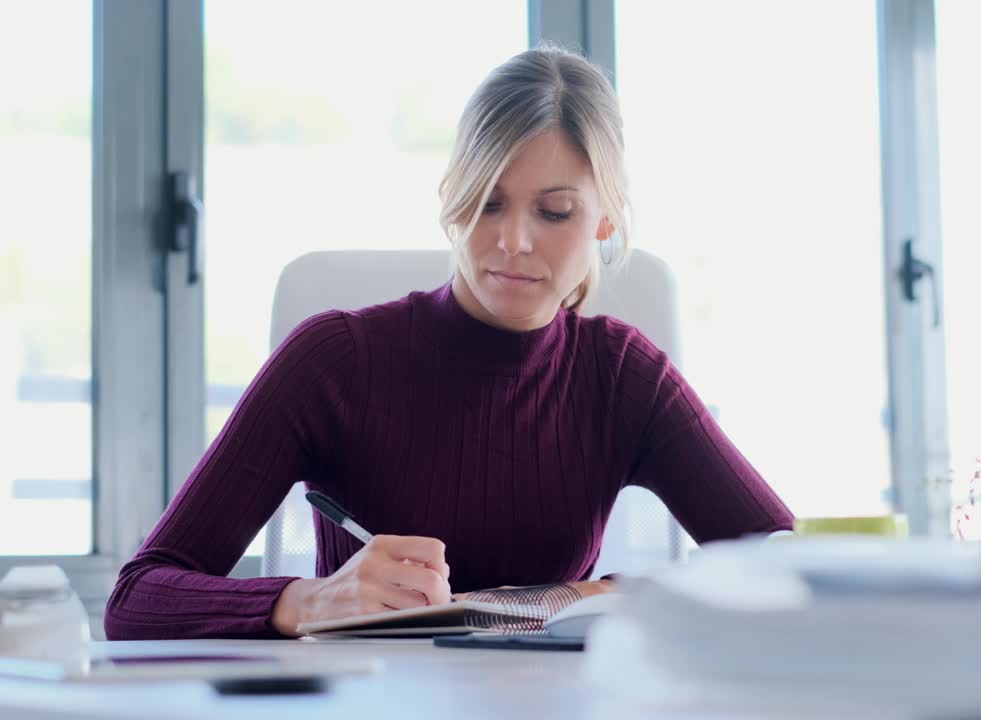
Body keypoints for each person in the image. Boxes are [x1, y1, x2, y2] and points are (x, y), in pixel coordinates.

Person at [104, 46, 793, 640]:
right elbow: (138, 597)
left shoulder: (623, 376)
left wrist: (620, 594)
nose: (514, 241)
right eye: (487, 202)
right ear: (451, 200)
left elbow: (797, 575)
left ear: (606, 221)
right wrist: (311, 601)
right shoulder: (333, 363)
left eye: (555, 212)